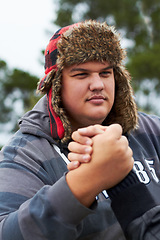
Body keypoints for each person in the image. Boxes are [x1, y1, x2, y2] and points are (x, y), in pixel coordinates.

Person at [0, 19, 159, 240]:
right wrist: (81, 185)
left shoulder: (151, 131)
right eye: (81, 74)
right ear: (56, 86)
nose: (97, 84)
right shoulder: (26, 154)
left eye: (105, 73)